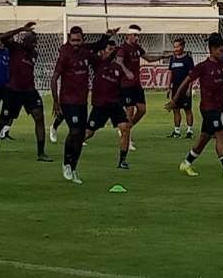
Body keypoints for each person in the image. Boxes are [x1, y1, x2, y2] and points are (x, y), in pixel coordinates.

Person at [167, 35, 223, 179]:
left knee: (203, 139)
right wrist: (175, 99)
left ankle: (186, 163)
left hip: (217, 107)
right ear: (212, 49)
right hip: (209, 108)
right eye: (221, 50)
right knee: (220, 134)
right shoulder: (203, 67)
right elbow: (185, 82)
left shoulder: (221, 64)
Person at [51, 27, 113, 182]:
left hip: (82, 102)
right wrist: (55, 102)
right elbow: (54, 78)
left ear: (82, 40)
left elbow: (101, 60)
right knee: (75, 131)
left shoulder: (86, 54)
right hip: (67, 100)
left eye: (78, 40)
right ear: (69, 40)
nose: (75, 43)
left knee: (79, 136)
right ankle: (66, 163)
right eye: (73, 40)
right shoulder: (65, 55)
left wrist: (111, 53)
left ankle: (73, 167)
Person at [0, 22, 51, 162]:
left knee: (39, 117)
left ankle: (41, 152)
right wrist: (21, 29)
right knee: (3, 121)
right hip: (13, 91)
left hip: (30, 91)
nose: (35, 44)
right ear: (25, 40)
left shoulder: (34, 54)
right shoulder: (15, 48)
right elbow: (3, 37)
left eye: (35, 42)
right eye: (32, 41)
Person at [84, 40, 134, 172]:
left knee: (125, 127)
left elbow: (124, 82)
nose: (111, 52)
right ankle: (72, 147)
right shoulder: (98, 63)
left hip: (114, 105)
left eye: (112, 49)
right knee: (89, 132)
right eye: (108, 49)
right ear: (102, 51)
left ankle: (122, 161)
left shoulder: (118, 68)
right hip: (100, 105)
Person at [116, 24, 166, 150]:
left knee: (142, 110)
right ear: (129, 35)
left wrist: (162, 56)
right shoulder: (123, 48)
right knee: (130, 111)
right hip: (126, 85)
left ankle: (125, 129)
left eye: (138, 35)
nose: (137, 38)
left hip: (137, 84)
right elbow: (119, 61)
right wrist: (126, 71)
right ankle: (128, 139)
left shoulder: (137, 48)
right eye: (135, 35)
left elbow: (148, 58)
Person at [165, 39, 196, 139]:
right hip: (175, 88)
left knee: (187, 110)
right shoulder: (173, 59)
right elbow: (170, 73)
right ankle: (177, 131)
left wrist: (189, 88)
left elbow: (192, 75)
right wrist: (168, 87)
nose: (176, 49)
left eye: (177, 46)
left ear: (183, 47)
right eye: (174, 47)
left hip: (185, 89)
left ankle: (189, 131)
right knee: (176, 109)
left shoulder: (188, 59)